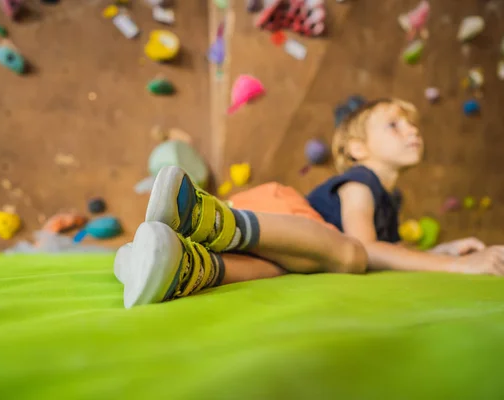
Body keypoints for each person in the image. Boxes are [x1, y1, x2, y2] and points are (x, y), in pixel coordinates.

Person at [115, 97, 504, 309]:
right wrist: (456, 266)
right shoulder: (362, 183)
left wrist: (438, 250)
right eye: (394, 124)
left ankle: (175, 264)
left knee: (283, 269)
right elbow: (367, 250)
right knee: (350, 256)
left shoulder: (388, 197)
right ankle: (204, 218)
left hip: (294, 242)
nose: (412, 130)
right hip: (282, 214)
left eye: (411, 124)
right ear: (357, 148)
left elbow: (385, 252)